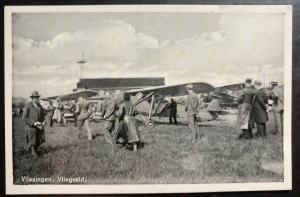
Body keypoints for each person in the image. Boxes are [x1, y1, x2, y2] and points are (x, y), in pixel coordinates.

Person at [23, 91, 45, 157]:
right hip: (30, 126)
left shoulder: (39, 105)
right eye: (34, 97)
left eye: (37, 97)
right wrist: (34, 123)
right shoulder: (28, 106)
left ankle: (32, 149)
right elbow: (24, 117)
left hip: (39, 125)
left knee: (40, 139)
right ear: (32, 98)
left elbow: (42, 115)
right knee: (33, 136)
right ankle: (33, 151)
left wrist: (43, 121)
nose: (36, 99)